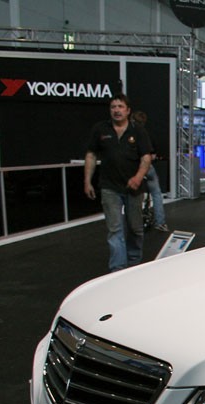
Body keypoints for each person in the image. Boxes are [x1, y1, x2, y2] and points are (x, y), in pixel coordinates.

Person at [84, 94, 154, 272]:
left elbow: (146, 157)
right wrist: (87, 181)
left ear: (128, 110)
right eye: (113, 107)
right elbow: (91, 155)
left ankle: (134, 264)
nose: (116, 110)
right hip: (109, 187)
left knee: (135, 228)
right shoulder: (100, 129)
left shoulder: (138, 131)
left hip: (134, 188)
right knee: (115, 230)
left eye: (120, 107)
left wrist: (138, 177)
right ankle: (118, 269)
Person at [132, 110, 168, 232]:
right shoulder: (147, 135)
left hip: (134, 168)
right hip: (147, 168)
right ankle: (160, 222)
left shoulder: (128, 135)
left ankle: (134, 223)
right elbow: (152, 155)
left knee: (134, 196)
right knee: (156, 194)